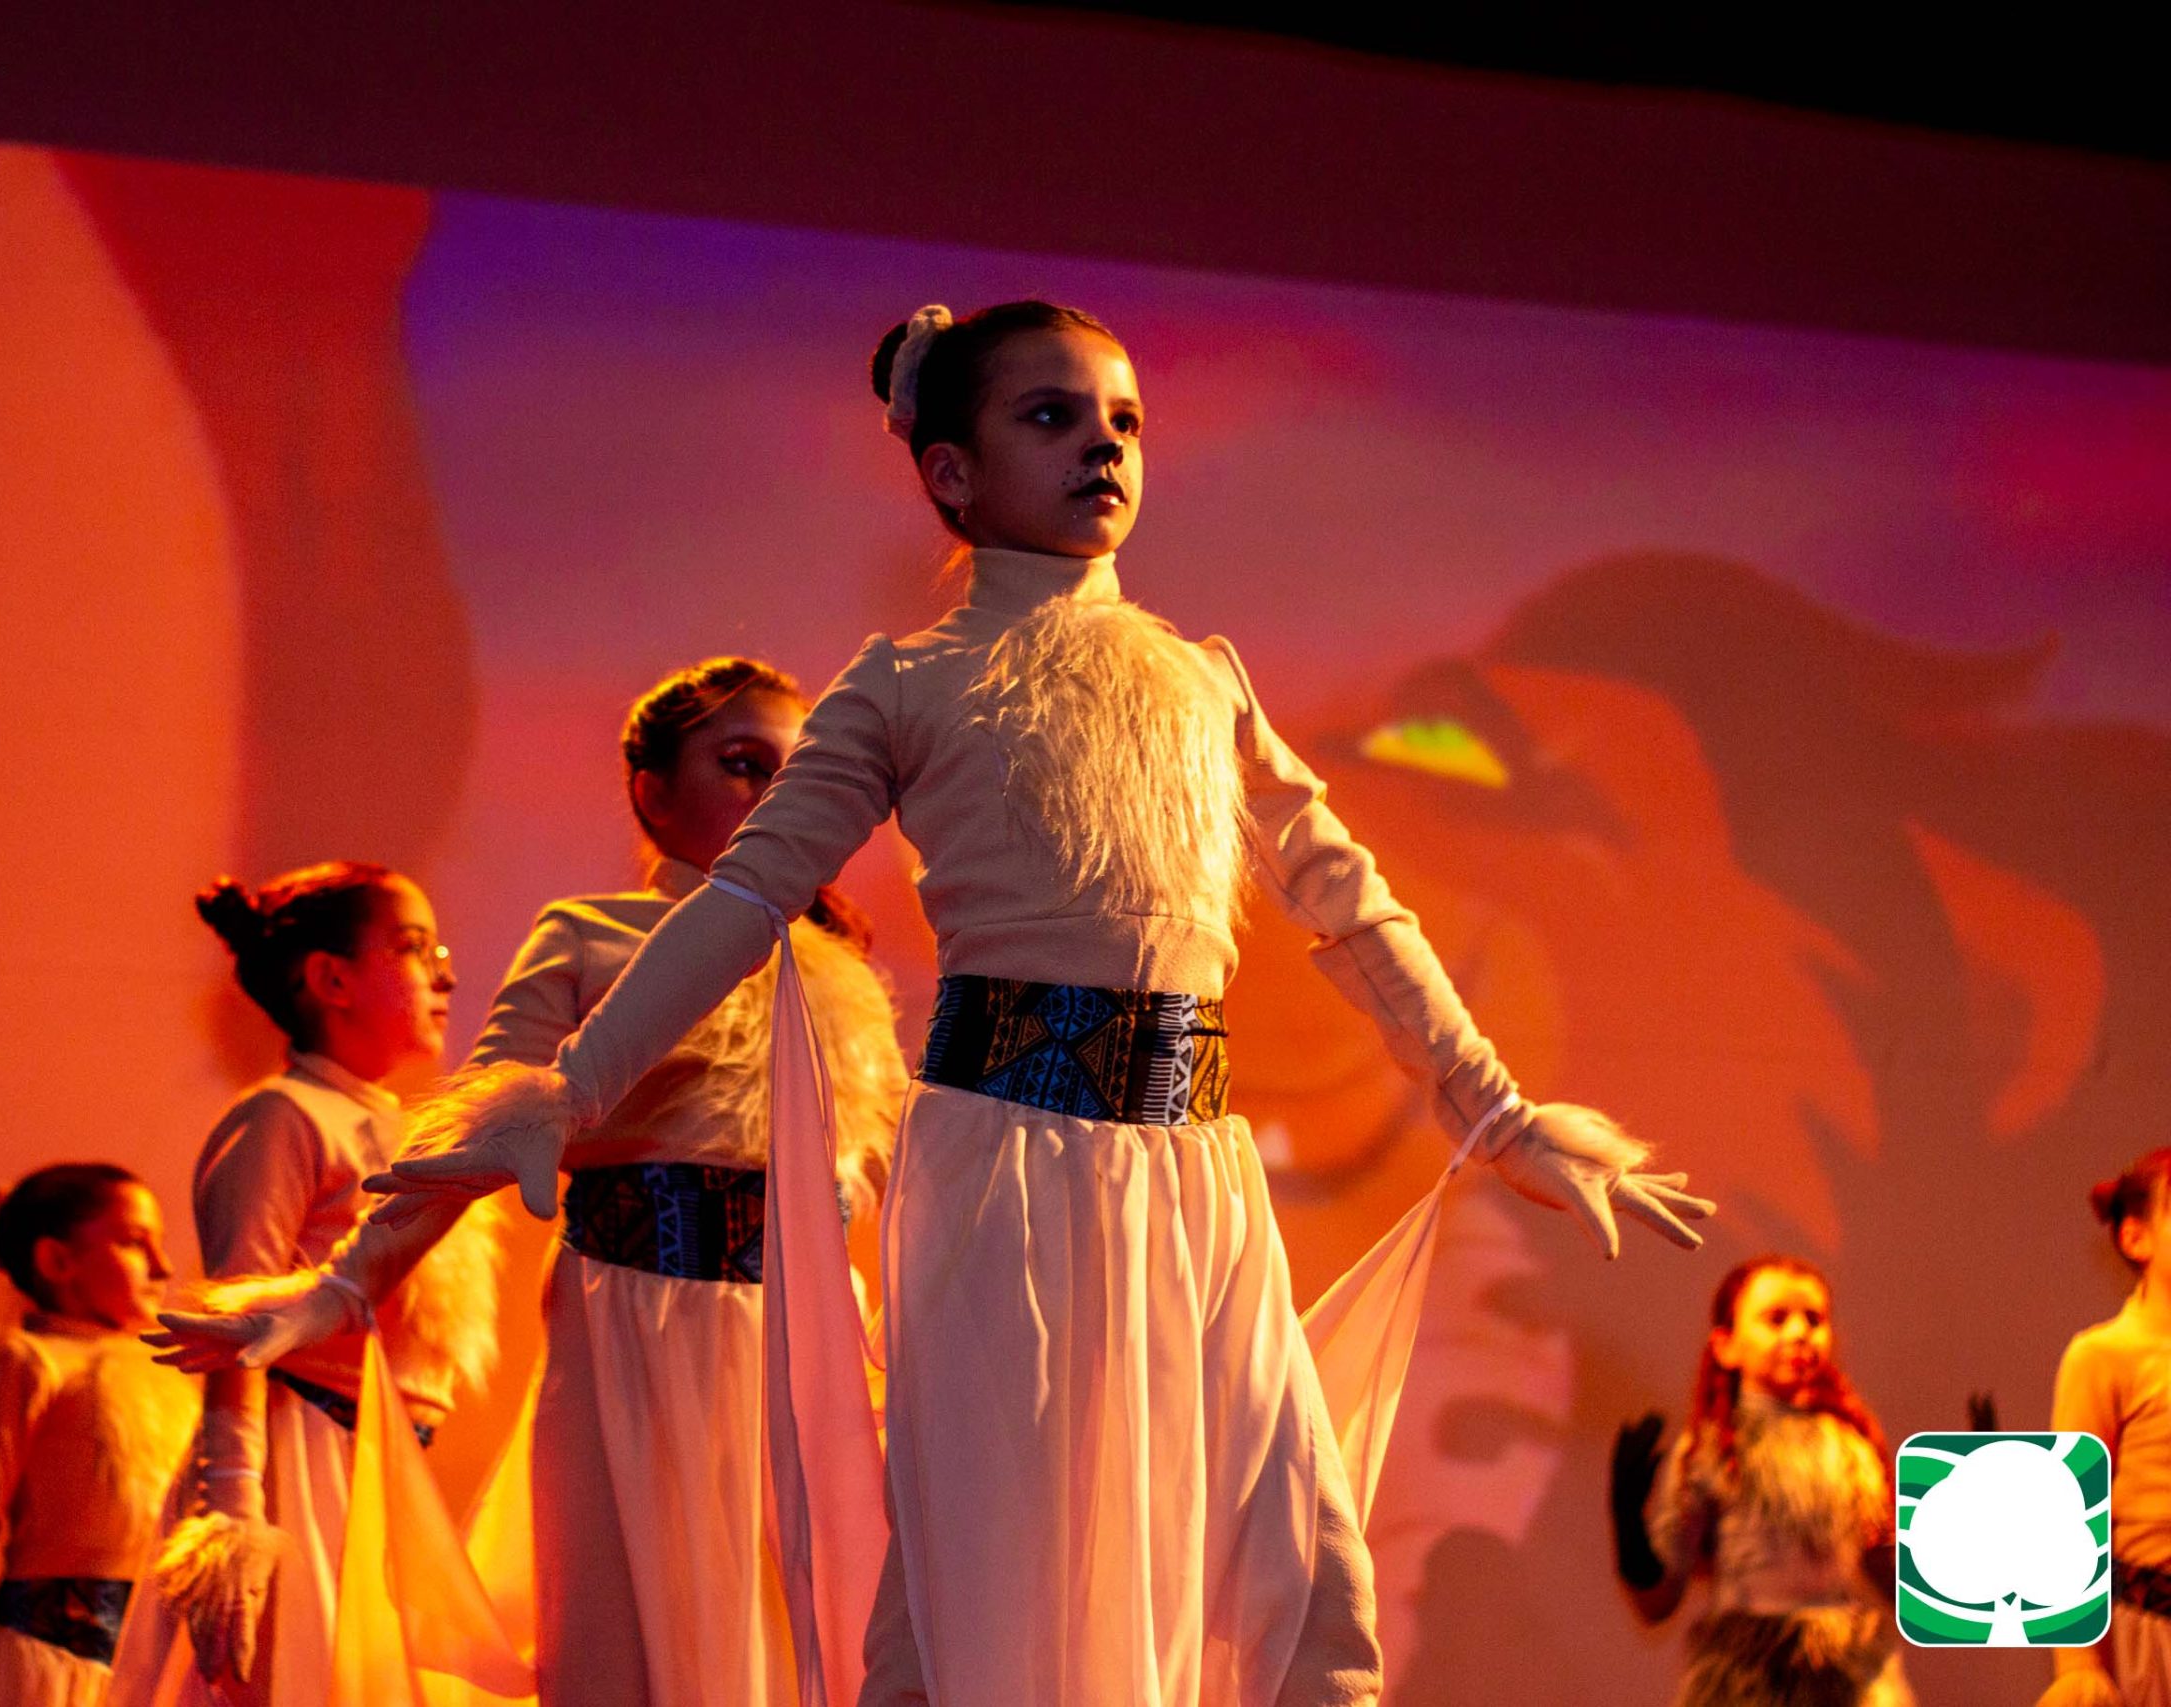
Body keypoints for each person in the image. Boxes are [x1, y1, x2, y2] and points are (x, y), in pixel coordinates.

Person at [159, 300, 1711, 1706]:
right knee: (981, 1607)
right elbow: (736, 908)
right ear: (952, 474)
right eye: (1052, 414)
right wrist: (534, 1120)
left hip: (1194, 1178)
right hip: (1008, 1176)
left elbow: (1346, 898)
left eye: (1123, 418)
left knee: (1308, 1581)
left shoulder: (1205, 680)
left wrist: (1499, 1106)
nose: (1103, 442)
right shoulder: (908, 684)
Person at [457, 656, 907, 1704]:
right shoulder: (589, 934)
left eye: (794, 774)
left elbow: (890, 1170)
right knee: (632, 1619)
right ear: (651, 791)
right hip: (632, 1316)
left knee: (813, 1622)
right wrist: (350, 1277)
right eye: (742, 764)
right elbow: (489, 1118)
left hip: (803, 1335)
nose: (773, 795)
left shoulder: (835, 972)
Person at [108, 861, 513, 1705]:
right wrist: (234, 1513)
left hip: (374, 1465)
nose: (443, 973)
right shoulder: (281, 1118)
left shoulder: (397, 1127)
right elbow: (236, 1324)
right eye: (413, 948)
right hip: (297, 1463)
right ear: (332, 979)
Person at [0, 1166, 198, 1705]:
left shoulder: (171, 1372)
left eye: (159, 1243)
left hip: (150, 1674)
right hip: (48, 1670)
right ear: (56, 1261)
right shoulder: (26, 1360)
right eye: (133, 1243)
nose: (162, 1266)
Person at [1613, 1254, 1907, 1706]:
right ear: (1726, 1345)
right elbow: (1660, 1600)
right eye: (1776, 1319)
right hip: (1743, 1682)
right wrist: (1629, 1526)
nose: (1799, 1333)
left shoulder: (1852, 1450)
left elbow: (1898, 1580)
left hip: (1847, 1683)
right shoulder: (1711, 1451)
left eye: (1814, 1319)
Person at [2039, 1149, 2171, 1706]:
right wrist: (2080, 1667)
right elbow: (2066, 1514)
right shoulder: (2105, 1356)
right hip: (2153, 1636)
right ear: (2137, 1238)